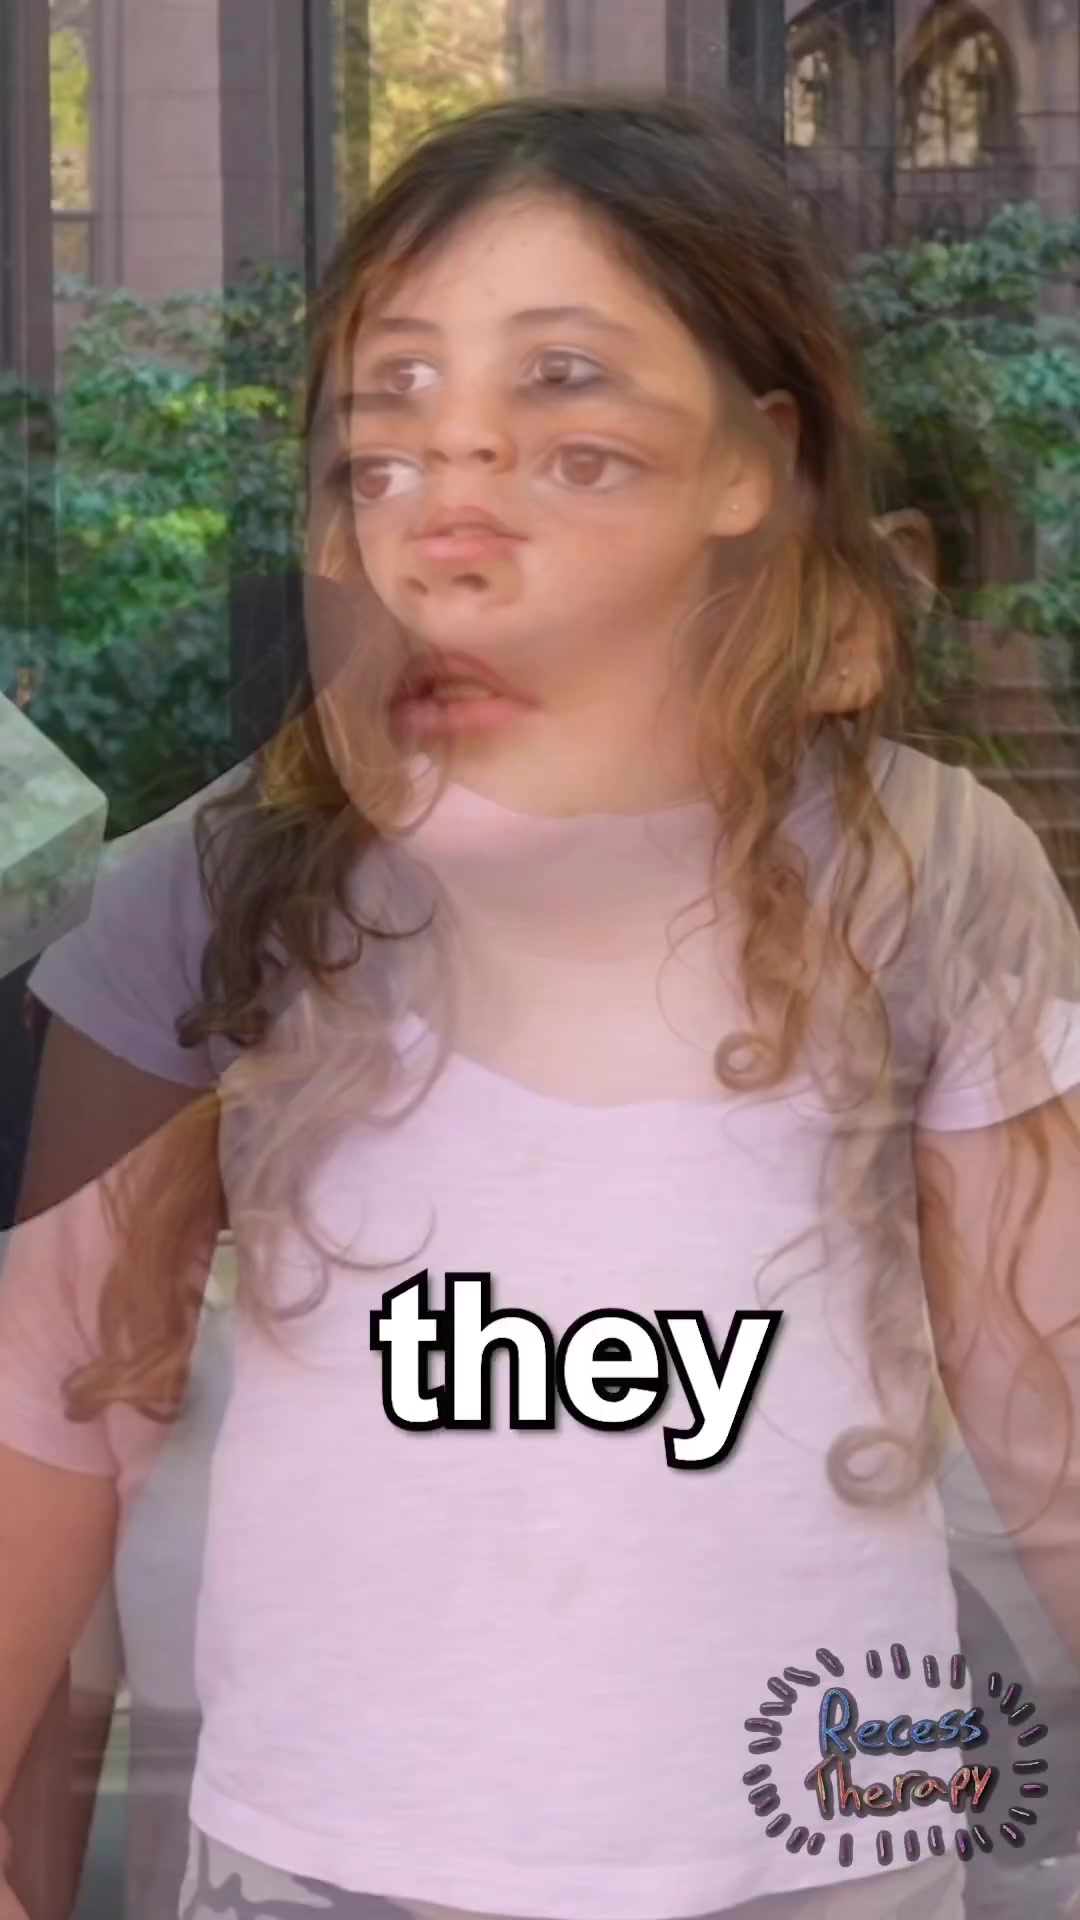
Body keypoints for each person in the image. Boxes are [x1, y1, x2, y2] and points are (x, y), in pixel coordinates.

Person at [2, 94, 1080, 1920]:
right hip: (326, 1870)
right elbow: (52, 1397)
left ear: (753, 462)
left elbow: (1048, 1401)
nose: (454, 515)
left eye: (572, 434)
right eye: (391, 441)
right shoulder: (215, 887)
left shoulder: (924, 870)